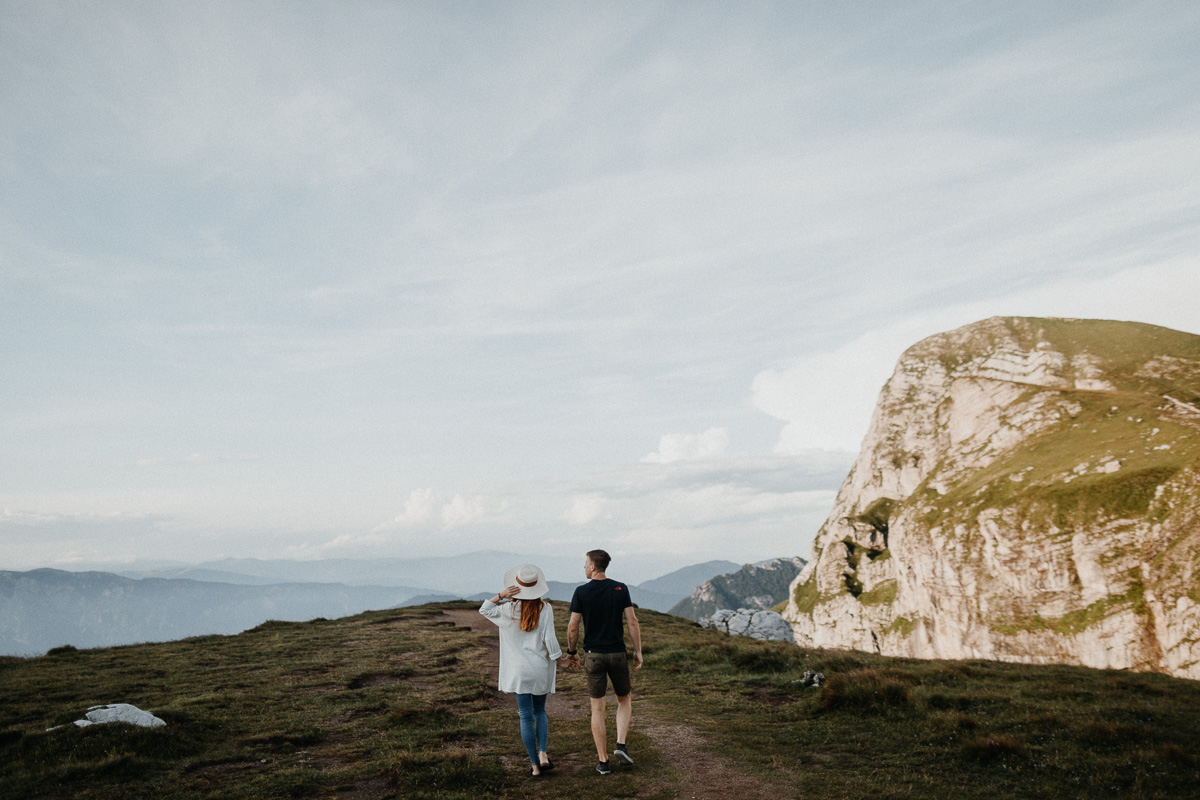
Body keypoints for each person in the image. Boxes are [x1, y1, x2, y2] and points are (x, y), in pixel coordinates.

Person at [479, 563, 562, 777]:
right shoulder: (546, 609)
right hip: (539, 668)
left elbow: (484, 609)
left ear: (516, 587)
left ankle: (534, 766)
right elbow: (550, 640)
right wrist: (560, 658)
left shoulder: (507, 610)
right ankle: (543, 753)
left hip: (518, 672)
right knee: (540, 711)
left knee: (525, 715)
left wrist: (501, 595)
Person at [566, 549, 643, 776]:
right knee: (624, 699)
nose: (584, 567)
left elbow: (573, 626)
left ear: (592, 566)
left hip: (593, 655)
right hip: (617, 654)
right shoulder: (620, 588)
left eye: (585, 563)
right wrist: (638, 650)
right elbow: (632, 621)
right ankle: (620, 744)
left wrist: (572, 652)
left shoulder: (581, 591)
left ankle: (603, 762)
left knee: (597, 708)